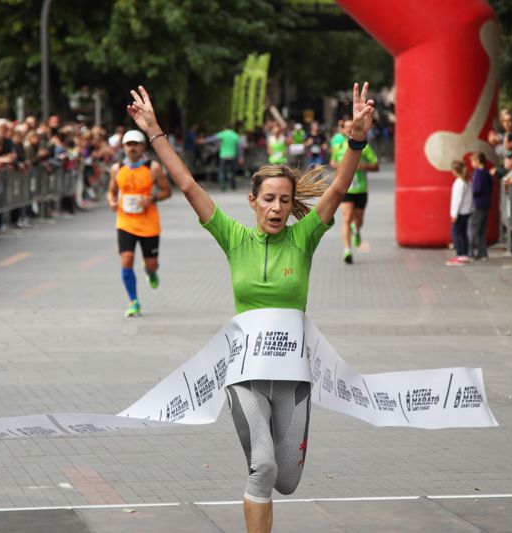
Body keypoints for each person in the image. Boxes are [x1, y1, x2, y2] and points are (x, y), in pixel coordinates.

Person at [126, 82, 374, 533]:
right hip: (244, 374)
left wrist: (356, 139)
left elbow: (339, 186)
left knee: (288, 479)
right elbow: (186, 184)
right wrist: (155, 132)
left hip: (292, 378)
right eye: (268, 199)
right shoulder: (234, 238)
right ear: (253, 202)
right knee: (262, 468)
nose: (277, 207)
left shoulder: (304, 238)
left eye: (284, 199)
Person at [106, 130, 172, 317]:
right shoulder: (117, 169)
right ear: (124, 147)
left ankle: (150, 272)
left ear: (143, 147)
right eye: (129, 144)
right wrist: (111, 201)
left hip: (149, 223)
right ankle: (133, 301)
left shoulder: (153, 168)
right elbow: (111, 191)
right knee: (126, 260)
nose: (132, 148)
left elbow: (167, 191)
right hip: (125, 221)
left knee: (151, 264)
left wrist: (151, 198)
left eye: (136, 144)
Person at [329, 117, 379, 264]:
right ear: (343, 130)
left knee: (358, 221)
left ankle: (356, 230)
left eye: (353, 127)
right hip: (345, 189)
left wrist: (362, 167)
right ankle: (347, 250)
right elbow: (333, 162)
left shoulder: (364, 147)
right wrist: (340, 168)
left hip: (361, 189)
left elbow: (376, 165)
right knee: (346, 218)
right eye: (347, 128)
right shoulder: (338, 148)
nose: (350, 130)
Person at [446, 160, 473, 266]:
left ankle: (460, 255)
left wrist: (454, 214)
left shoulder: (459, 183)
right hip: (466, 211)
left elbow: (457, 200)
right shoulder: (467, 181)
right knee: (463, 233)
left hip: (459, 212)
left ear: (455, 171)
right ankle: (465, 255)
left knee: (455, 234)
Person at [468, 151, 492, 261]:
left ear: (478, 161)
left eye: (473, 161)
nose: (472, 164)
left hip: (478, 203)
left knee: (473, 228)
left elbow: (476, 189)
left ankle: (470, 251)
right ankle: (482, 253)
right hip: (486, 203)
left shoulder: (478, 173)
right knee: (482, 229)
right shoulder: (486, 172)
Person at [204, 124, 242, 191]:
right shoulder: (235, 135)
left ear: (225, 128)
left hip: (223, 155)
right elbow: (239, 148)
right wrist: (240, 157)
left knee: (222, 171)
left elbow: (213, 138)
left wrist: (204, 140)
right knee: (233, 171)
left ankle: (223, 186)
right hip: (232, 156)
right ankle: (233, 186)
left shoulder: (223, 133)